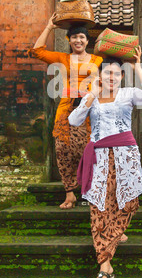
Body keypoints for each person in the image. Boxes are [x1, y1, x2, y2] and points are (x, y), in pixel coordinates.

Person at [68, 47, 142, 278]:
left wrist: (137, 66)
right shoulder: (92, 95)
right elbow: (73, 120)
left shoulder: (129, 93)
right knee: (99, 206)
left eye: (117, 74)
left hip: (125, 156)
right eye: (108, 73)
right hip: (99, 157)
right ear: (100, 75)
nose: (112, 77)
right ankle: (105, 265)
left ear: (121, 76)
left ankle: (116, 232)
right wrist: (91, 95)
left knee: (127, 203)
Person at [28, 12, 103, 209]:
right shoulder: (62, 58)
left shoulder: (98, 60)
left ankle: (90, 191)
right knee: (62, 150)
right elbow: (37, 51)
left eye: (82, 37)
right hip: (66, 108)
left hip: (90, 109)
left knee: (89, 150)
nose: (78, 40)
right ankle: (70, 194)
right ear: (69, 40)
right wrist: (49, 27)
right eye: (74, 37)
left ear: (88, 41)